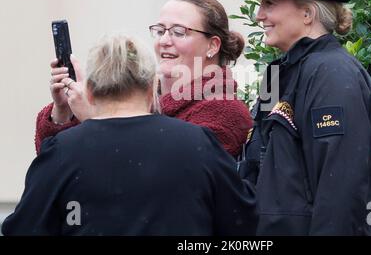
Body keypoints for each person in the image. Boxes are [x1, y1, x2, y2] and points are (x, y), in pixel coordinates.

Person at [2, 34, 257, 235]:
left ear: (89, 92)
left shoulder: (62, 150)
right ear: (150, 89)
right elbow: (242, 221)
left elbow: (25, 226)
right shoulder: (197, 142)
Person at [237, 0, 371, 235]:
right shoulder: (278, 74)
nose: (259, 16)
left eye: (269, 4)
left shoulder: (332, 74)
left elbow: (341, 195)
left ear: (307, 13)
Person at [34, 0, 252, 158]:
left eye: (179, 32)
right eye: (160, 30)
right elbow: (54, 159)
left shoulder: (226, 111)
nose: (164, 40)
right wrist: (63, 111)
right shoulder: (133, 92)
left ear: (212, 45)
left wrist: (94, 121)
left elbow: (165, 174)